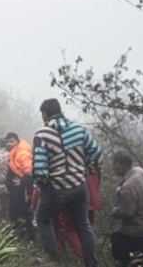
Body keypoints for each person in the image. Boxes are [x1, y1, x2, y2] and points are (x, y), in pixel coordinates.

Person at [32, 98, 101, 267]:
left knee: (42, 219)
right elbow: (96, 152)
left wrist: (44, 187)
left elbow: (40, 170)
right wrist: (86, 171)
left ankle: (54, 260)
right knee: (83, 225)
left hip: (56, 189)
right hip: (79, 186)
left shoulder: (42, 135)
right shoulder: (79, 130)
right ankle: (91, 263)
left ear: (45, 114)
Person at [4, 131, 33, 234]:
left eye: (11, 141)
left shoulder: (22, 153)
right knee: (15, 212)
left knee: (22, 213)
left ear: (17, 141)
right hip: (15, 190)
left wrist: (22, 181)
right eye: (7, 142)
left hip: (21, 191)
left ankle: (26, 235)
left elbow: (29, 171)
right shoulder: (13, 154)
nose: (9, 144)